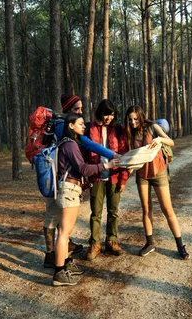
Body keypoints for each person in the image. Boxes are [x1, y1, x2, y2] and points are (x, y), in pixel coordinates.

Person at [42, 94, 119, 268]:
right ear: (68, 113)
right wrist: (111, 157)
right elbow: (87, 148)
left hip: (57, 179)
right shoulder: (64, 130)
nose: (80, 112)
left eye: (81, 108)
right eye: (76, 110)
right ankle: (54, 261)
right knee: (58, 223)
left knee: (60, 222)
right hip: (60, 181)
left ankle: (61, 256)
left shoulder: (60, 127)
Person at [53, 113, 120, 286]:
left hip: (68, 189)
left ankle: (66, 264)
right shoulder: (70, 144)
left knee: (64, 232)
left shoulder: (68, 144)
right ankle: (59, 273)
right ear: (70, 126)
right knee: (64, 233)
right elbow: (83, 169)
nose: (84, 127)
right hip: (68, 190)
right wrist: (106, 165)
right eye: (81, 124)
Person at [124, 105, 189, 260]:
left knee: (168, 210)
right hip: (142, 175)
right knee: (146, 210)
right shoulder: (130, 134)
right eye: (130, 119)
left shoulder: (152, 128)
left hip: (158, 173)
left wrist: (159, 139)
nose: (133, 122)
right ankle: (149, 243)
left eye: (135, 119)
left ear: (141, 117)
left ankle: (180, 245)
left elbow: (171, 142)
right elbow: (134, 156)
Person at [84, 100, 129, 260]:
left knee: (113, 211)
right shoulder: (89, 128)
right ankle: (95, 244)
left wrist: (123, 179)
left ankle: (112, 241)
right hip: (96, 176)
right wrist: (85, 177)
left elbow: (124, 155)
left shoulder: (118, 129)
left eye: (112, 114)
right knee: (95, 212)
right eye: (106, 114)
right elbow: (84, 154)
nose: (109, 117)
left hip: (115, 176)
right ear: (99, 113)